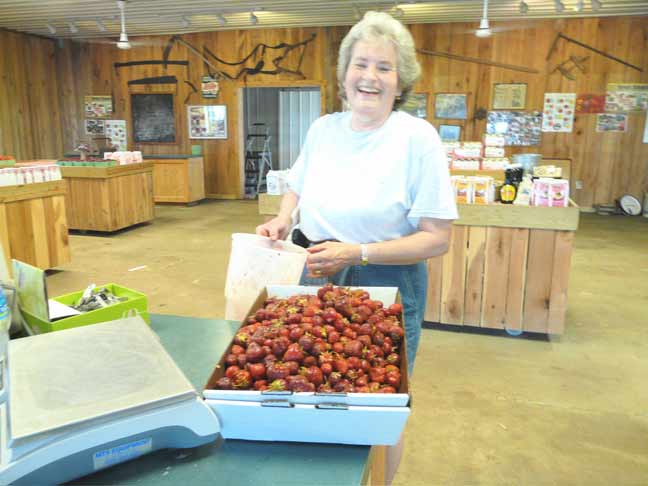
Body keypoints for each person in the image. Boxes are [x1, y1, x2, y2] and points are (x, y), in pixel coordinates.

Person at [256, 11, 457, 373]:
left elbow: (437, 240)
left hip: (383, 279)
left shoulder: (418, 138)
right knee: (311, 375)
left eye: (384, 67)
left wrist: (355, 253)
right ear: (344, 74)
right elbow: (297, 185)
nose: (369, 77)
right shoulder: (323, 129)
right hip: (313, 267)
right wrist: (284, 218)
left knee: (373, 382)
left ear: (401, 83)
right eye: (360, 64)